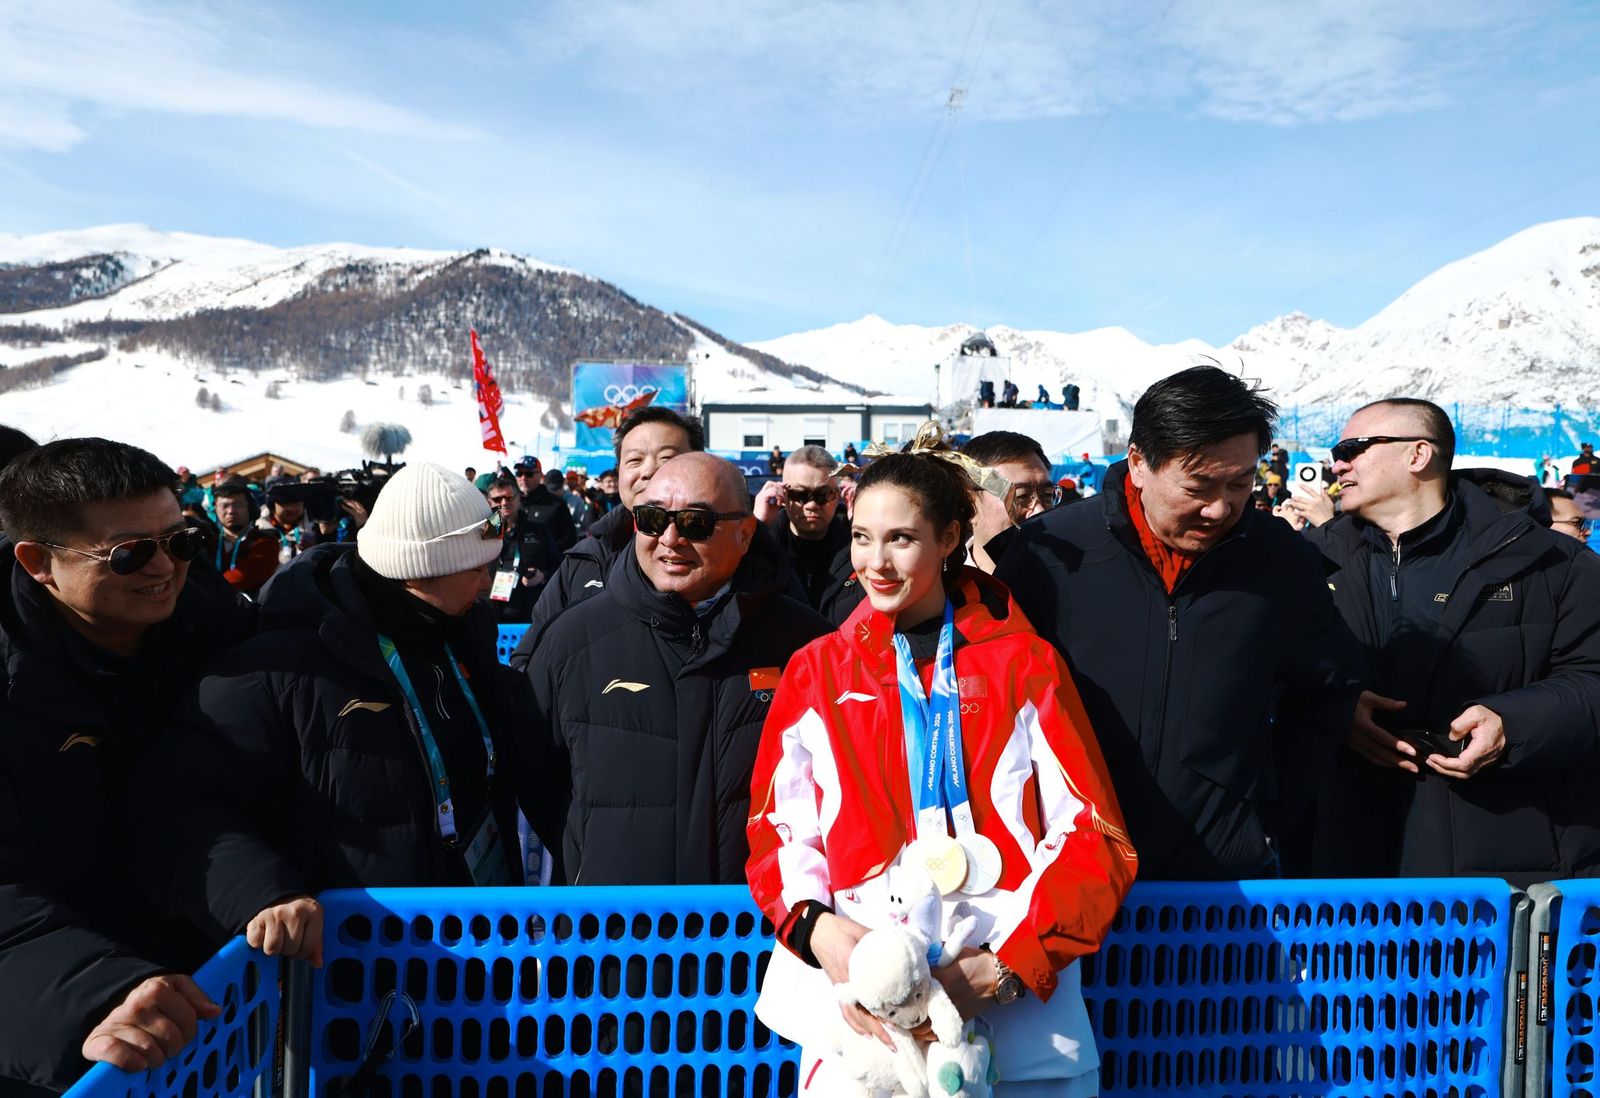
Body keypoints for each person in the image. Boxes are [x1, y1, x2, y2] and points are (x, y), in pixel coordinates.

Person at [746, 437, 1137, 1096]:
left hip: (1018, 1022)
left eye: (901, 538)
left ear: (950, 535)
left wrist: (1005, 968)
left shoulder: (1023, 664)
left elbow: (1095, 838)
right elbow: (780, 831)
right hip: (864, 1018)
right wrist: (824, 934)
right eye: (863, 537)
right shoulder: (818, 670)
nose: (876, 561)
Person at [128, 463, 552, 971]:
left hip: (475, 945)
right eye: (475, 568)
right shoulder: (282, 665)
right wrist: (263, 894)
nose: (487, 584)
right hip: (356, 974)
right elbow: (175, 808)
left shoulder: (456, 634)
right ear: (417, 569)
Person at [994, 366, 1362, 879]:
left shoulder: (1282, 561)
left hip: (1221, 876)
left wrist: (1268, 807)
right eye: (1199, 486)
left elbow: (1328, 687)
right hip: (1064, 869)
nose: (1220, 508)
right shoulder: (1049, 554)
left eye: (1240, 483)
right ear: (1139, 463)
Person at [0, 438, 254, 1092]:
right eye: (130, 553)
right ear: (39, 563)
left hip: (212, 1000)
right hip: (79, 1029)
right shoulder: (12, 687)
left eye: (182, 541)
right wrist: (95, 992)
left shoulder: (220, 635)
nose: (164, 567)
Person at [1301, 400, 1600, 883]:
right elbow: (1270, 675)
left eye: (1352, 448)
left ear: (1417, 455)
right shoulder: (1310, 561)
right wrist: (1337, 708)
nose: (1338, 463)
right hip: (1350, 869)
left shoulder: (1549, 561)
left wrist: (1514, 722)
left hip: (1510, 870)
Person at [523, 453, 830, 884]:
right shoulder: (572, 641)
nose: (670, 538)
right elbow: (536, 782)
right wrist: (593, 854)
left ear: (744, 534)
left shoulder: (806, 646)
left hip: (760, 929)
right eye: (651, 519)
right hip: (616, 934)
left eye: (695, 523)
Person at [518, 407, 705, 646]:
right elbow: (533, 653)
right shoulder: (585, 559)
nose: (648, 471)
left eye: (666, 458)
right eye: (634, 460)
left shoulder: (730, 552)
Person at [752, 445, 863, 624]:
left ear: (839, 495)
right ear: (782, 494)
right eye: (799, 494)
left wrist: (863, 526)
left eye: (823, 495)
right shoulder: (762, 544)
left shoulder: (858, 546)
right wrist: (757, 529)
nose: (811, 505)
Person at [962, 431, 1060, 573]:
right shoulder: (944, 588)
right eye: (1021, 496)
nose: (1040, 511)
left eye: (1047, 495)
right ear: (970, 504)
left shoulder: (1073, 577)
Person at [484, 474, 559, 623]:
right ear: (490, 503)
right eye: (498, 499)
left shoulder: (538, 531)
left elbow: (559, 566)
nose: (504, 503)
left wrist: (542, 576)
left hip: (531, 611)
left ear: (518, 500)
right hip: (493, 613)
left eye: (509, 497)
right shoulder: (484, 534)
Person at [209, 475, 281, 596]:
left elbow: (243, 577)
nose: (231, 511)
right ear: (215, 509)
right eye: (224, 506)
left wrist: (204, 587)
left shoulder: (266, 542)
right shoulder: (207, 543)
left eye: (237, 505)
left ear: (250, 507)